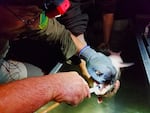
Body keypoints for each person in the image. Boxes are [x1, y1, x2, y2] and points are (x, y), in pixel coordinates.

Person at [0, 0, 118, 112]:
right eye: (30, 19)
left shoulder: (28, 14)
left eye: (37, 14)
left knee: (38, 76)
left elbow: (56, 32)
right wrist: (53, 87)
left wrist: (87, 54)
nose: (36, 23)